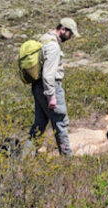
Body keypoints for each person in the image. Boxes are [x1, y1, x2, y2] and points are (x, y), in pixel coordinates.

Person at [29, 18, 78, 156]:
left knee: (40, 122)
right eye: (71, 33)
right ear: (63, 29)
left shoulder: (43, 38)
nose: (71, 37)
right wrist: (51, 96)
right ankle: (67, 159)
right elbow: (48, 74)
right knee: (61, 122)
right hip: (49, 88)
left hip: (37, 86)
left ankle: (25, 157)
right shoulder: (53, 46)